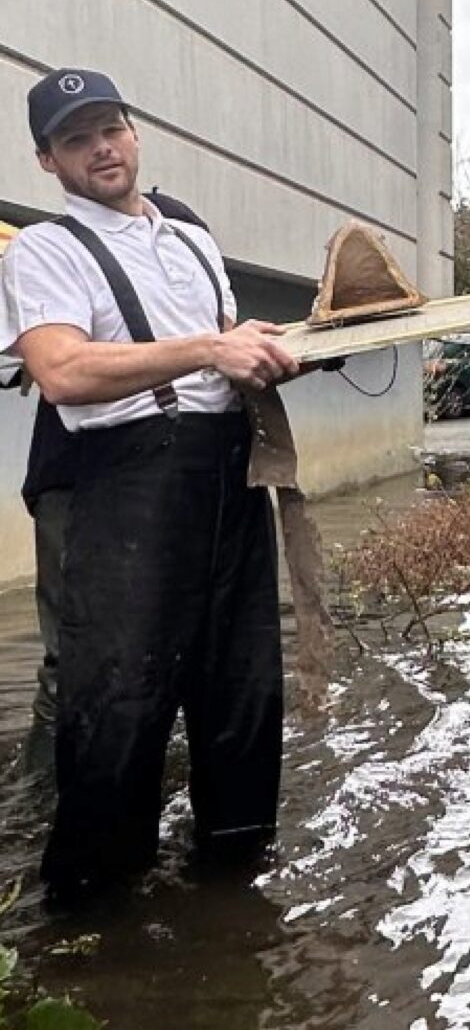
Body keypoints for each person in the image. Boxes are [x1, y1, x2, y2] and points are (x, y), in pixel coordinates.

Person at [0, 67, 300, 898]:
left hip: (228, 477)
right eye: (75, 139)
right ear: (47, 161)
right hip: (128, 487)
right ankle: (93, 904)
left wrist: (265, 352)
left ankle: (235, 868)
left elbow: (225, 348)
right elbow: (59, 371)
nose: (100, 148)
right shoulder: (46, 250)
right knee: (118, 703)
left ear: (133, 131)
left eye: (110, 127)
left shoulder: (191, 238)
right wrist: (210, 349)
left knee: (241, 686)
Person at [3, 191, 210, 779]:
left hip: (171, 478)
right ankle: (44, 795)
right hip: (76, 481)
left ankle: (142, 772)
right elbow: (58, 370)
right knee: (75, 653)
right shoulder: (64, 253)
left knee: (167, 637)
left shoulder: (185, 238)